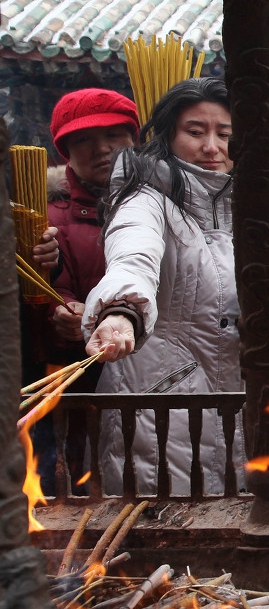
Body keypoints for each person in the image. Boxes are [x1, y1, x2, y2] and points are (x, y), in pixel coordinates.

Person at [82, 78, 241, 496]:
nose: (211, 147)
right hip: (160, 390)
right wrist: (121, 310)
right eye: (195, 132)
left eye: (224, 134)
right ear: (168, 135)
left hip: (235, 390)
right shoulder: (145, 197)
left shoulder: (246, 206)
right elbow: (133, 253)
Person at [29, 89, 139, 492]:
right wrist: (64, 310)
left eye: (115, 135)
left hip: (158, 376)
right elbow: (44, 290)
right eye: (84, 139)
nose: (103, 148)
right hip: (80, 384)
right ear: (65, 151)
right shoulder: (47, 216)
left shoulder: (167, 205)